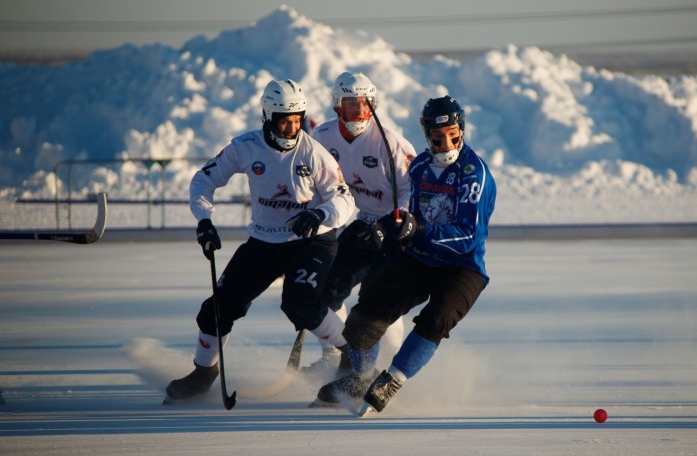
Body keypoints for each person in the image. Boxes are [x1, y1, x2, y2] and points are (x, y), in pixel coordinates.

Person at [165, 79, 355, 401]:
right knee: (217, 309)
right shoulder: (245, 146)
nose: (292, 128)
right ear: (267, 117)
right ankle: (203, 372)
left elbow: (344, 198)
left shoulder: (314, 152)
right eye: (284, 120)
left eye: (298, 120)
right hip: (264, 241)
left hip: (312, 240)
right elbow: (204, 179)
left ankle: (352, 357)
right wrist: (205, 221)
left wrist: (320, 214)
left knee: (300, 303)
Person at [311, 95, 496, 415]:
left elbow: (468, 236)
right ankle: (361, 376)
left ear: (462, 131)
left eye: (453, 135)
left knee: (436, 320)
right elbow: (404, 214)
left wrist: (418, 229)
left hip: (462, 266)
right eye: (438, 138)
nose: (446, 144)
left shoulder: (473, 173)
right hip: (420, 257)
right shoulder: (421, 166)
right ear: (428, 137)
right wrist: (385, 229)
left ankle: (392, 379)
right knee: (364, 314)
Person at [302, 72, 416, 379]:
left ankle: (387, 364)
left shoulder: (390, 142)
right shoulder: (323, 136)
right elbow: (312, 179)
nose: (360, 113)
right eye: (351, 106)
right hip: (360, 223)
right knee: (322, 295)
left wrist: (398, 219)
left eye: (365, 105)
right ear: (338, 107)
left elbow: (412, 187)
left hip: (392, 231)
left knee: (377, 303)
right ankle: (337, 357)